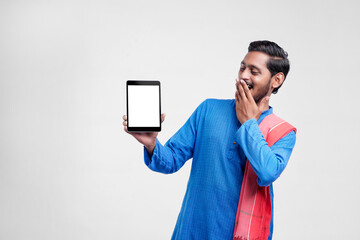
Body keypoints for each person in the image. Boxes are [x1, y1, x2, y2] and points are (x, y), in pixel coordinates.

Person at [123, 40, 296, 240]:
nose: (244, 76)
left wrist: (248, 123)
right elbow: (170, 161)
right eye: (242, 68)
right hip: (190, 232)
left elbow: (267, 172)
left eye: (254, 71)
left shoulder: (282, 132)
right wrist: (152, 144)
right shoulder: (209, 110)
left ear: (276, 80)